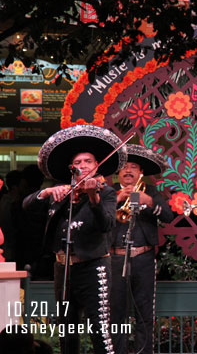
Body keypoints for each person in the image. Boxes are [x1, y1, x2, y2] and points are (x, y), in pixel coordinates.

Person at [22, 124, 127, 354]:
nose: (82, 166)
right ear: (71, 168)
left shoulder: (106, 193)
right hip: (63, 268)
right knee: (66, 330)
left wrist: (93, 197)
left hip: (93, 267)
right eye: (78, 163)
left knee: (100, 329)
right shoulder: (60, 193)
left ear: (96, 165)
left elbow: (107, 224)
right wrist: (47, 193)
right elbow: (27, 205)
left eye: (87, 161)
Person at [110, 144, 173, 354]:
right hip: (116, 258)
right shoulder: (109, 194)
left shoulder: (151, 191)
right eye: (124, 167)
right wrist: (118, 199)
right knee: (115, 313)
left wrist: (150, 202)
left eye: (134, 166)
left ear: (141, 172)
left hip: (144, 258)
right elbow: (97, 217)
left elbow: (168, 216)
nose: (128, 170)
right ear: (118, 172)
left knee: (144, 313)